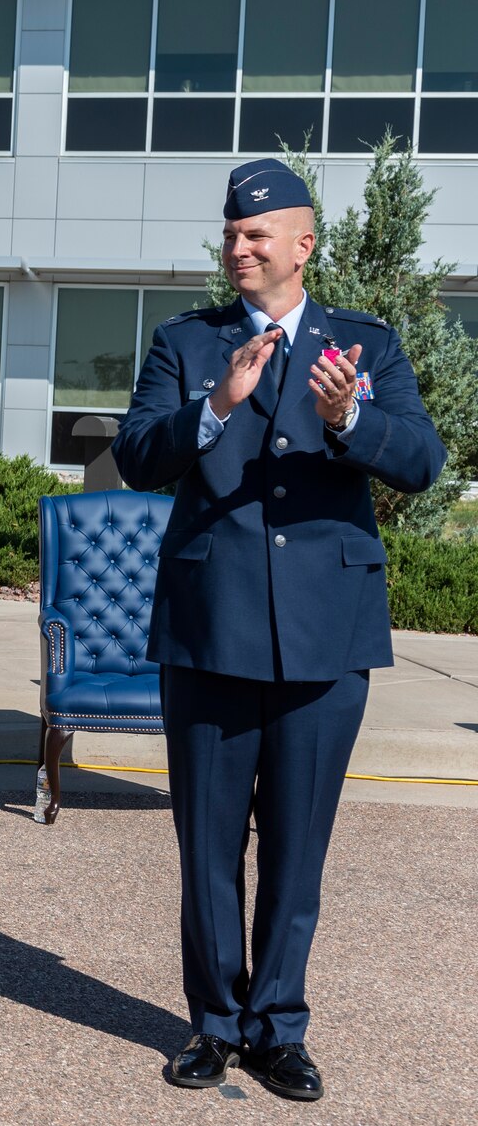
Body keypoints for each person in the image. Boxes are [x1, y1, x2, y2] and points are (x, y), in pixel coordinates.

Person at [113, 159, 445, 1103]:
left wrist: (351, 422)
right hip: (210, 627)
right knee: (208, 843)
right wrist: (213, 408)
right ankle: (214, 1026)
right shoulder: (188, 343)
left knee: (300, 846)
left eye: (258, 235)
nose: (239, 247)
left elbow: (422, 461)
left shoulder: (366, 347)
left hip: (324, 635)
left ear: (304, 245)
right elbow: (135, 454)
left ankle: (278, 1028)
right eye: (231, 234)